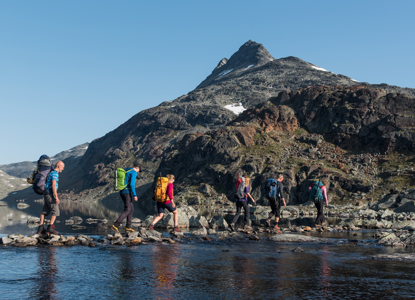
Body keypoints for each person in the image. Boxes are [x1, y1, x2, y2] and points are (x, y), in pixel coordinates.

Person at [111, 161, 141, 233]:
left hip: (122, 191)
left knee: (131, 209)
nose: (139, 172)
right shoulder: (133, 172)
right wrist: (135, 195)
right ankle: (116, 225)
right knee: (127, 209)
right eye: (139, 170)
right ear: (137, 168)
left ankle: (128, 227)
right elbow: (131, 185)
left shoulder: (127, 170)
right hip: (127, 192)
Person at [37, 161, 65, 235]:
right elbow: (53, 185)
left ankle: (40, 229)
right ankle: (50, 228)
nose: (63, 169)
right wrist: (56, 196)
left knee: (45, 211)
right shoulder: (55, 173)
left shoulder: (51, 172)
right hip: (50, 194)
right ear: (59, 166)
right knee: (55, 211)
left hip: (46, 193)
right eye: (62, 167)